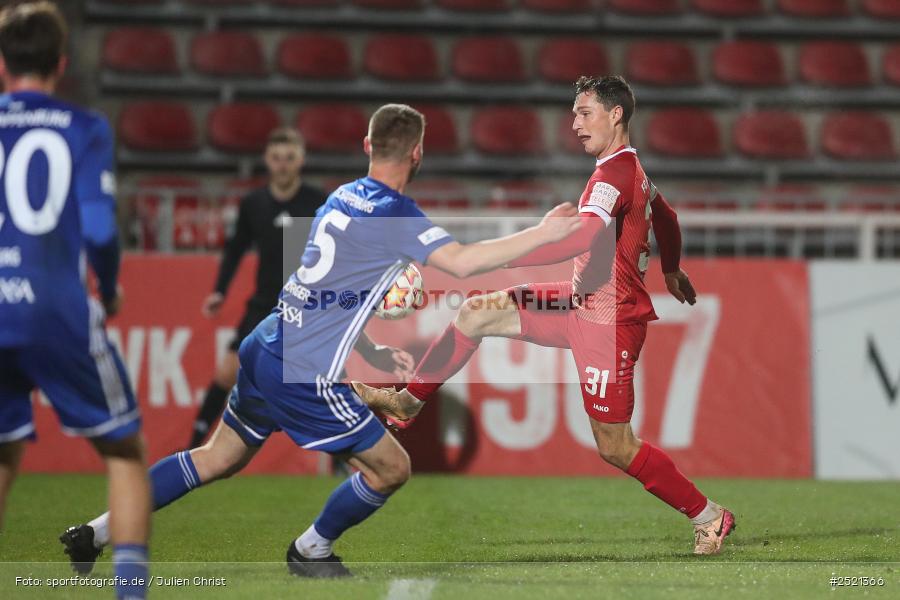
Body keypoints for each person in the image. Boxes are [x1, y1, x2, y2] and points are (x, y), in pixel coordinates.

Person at [62, 103, 581, 577]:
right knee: (391, 468)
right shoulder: (396, 214)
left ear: (366, 146)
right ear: (418, 152)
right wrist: (546, 233)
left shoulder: (342, 195)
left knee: (216, 457)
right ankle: (310, 550)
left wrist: (372, 349)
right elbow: (465, 264)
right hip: (303, 368)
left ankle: (95, 532)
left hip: (265, 341)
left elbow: (325, 290)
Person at [353, 76, 737, 556]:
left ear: (615, 114)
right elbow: (667, 216)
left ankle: (710, 516)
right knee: (478, 311)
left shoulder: (611, 177)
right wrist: (673, 268)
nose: (574, 124)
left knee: (615, 445)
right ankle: (408, 402)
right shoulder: (629, 168)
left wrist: (515, 251)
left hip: (609, 323)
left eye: (584, 113)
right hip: (577, 302)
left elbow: (581, 239)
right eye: (574, 114)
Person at [0, 3, 150, 598]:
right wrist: (109, 286)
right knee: (125, 452)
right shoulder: (83, 127)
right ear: (61, 63)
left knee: (3, 452)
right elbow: (100, 231)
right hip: (53, 305)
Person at [190, 128, 329, 449]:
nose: (282, 165)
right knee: (226, 373)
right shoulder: (254, 203)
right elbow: (236, 249)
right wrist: (219, 291)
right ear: (267, 160)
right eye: (277, 158)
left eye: (289, 158)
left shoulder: (317, 202)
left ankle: (338, 456)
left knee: (320, 383)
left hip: (305, 305)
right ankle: (194, 443)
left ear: (301, 160)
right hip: (265, 303)